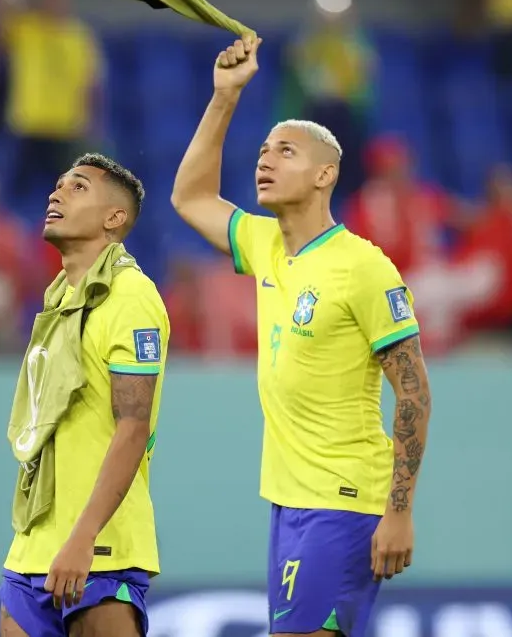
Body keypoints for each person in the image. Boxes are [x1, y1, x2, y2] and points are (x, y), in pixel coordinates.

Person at [171, 37, 433, 637]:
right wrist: (224, 97)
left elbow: (415, 393)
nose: (265, 161)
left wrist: (399, 512)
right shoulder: (265, 245)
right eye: (263, 151)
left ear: (325, 174)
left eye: (285, 152)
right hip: (289, 502)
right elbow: (189, 197)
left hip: (343, 501)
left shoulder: (364, 267)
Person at [0, 153, 170, 637]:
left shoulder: (132, 296)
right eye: (56, 185)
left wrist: (84, 537)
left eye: (77, 188)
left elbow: (133, 429)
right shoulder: (56, 300)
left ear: (114, 218)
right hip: (30, 549)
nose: (55, 194)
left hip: (101, 549)